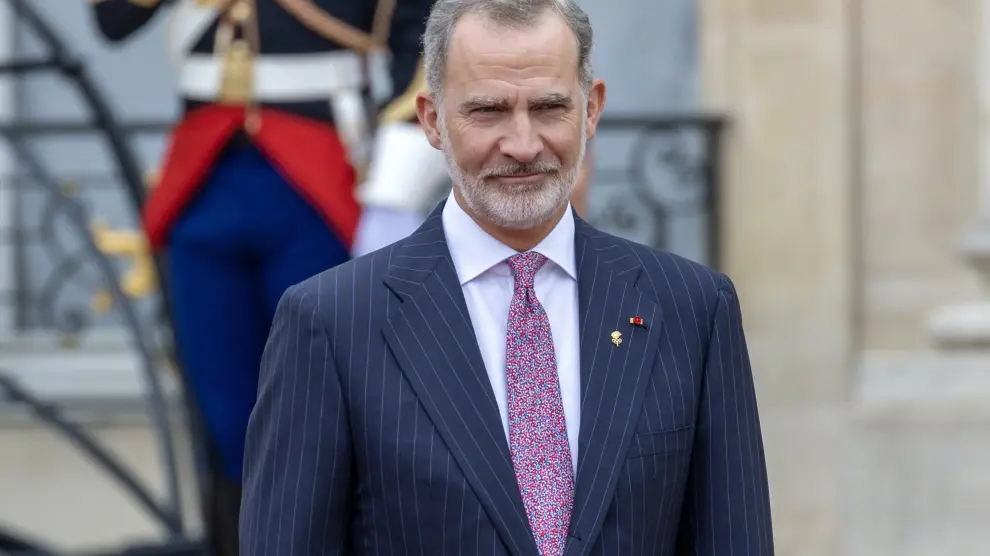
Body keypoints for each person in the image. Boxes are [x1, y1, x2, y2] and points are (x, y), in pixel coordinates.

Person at [240, 0, 775, 554]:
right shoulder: (331, 324)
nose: (523, 145)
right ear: (431, 120)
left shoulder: (693, 309)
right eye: (488, 111)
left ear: (592, 109)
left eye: (549, 108)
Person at [87, 1, 434, 554]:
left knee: (323, 412)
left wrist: (395, 193)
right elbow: (113, 20)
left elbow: (425, 51)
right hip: (204, 175)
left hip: (322, 183)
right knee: (225, 418)